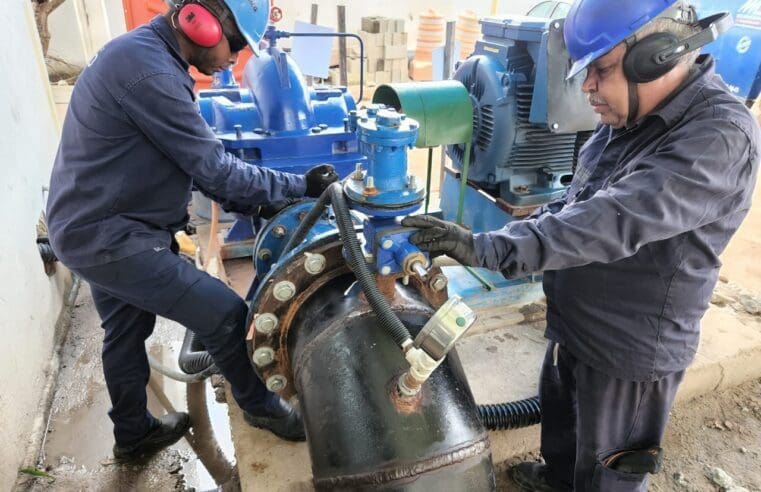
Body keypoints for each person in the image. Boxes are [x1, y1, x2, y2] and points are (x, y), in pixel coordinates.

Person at [403, 0, 760, 490]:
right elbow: (574, 205)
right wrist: (502, 238)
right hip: (576, 321)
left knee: (607, 467)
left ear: (653, 56)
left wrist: (489, 249)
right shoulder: (626, 117)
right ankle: (557, 479)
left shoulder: (718, 137)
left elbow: (608, 221)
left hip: (629, 348)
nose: (586, 86)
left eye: (599, 69)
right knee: (563, 429)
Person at [46, 0, 338, 462]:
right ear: (200, 22)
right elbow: (215, 171)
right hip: (110, 237)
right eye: (237, 42)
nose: (236, 57)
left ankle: (133, 433)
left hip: (91, 224)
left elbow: (200, 169)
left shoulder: (146, 56)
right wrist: (297, 186)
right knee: (224, 315)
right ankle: (262, 408)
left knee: (125, 330)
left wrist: (264, 196)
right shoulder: (151, 75)